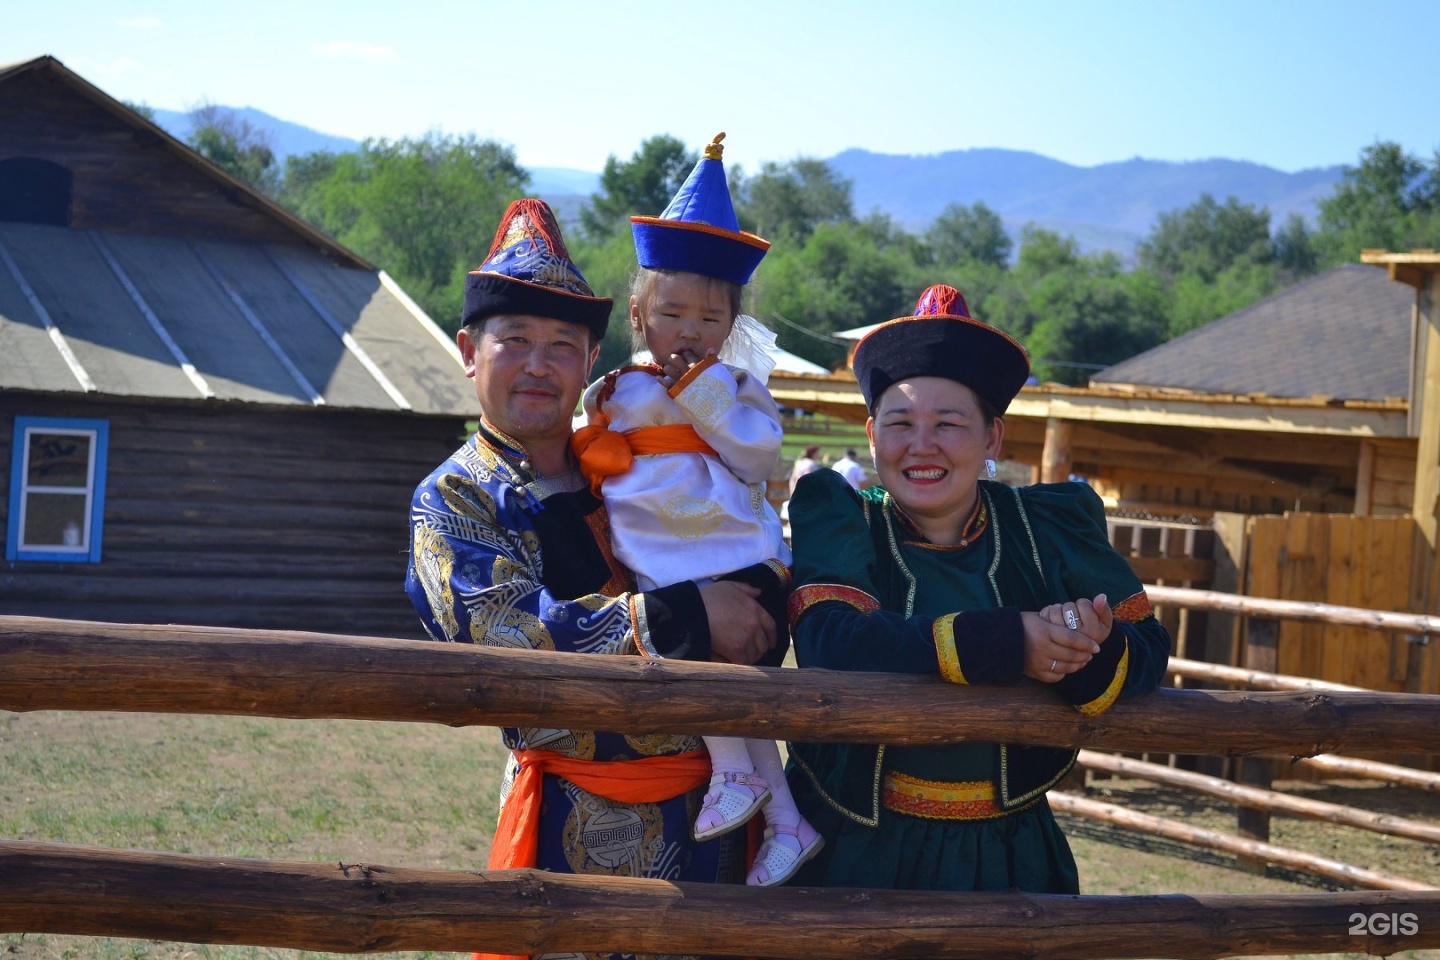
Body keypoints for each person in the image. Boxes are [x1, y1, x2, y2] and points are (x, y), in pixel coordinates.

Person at [405, 197, 778, 960]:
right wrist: (692, 615)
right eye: (515, 341)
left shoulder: (632, 460)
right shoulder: (454, 497)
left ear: (592, 360)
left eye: (562, 345)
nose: (540, 365)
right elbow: (505, 631)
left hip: (715, 802)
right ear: (468, 350)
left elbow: (737, 536)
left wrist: (766, 589)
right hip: (570, 816)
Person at [783, 283, 1171, 893]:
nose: (921, 445)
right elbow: (831, 641)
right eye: (901, 423)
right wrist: (1009, 641)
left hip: (1009, 856)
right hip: (854, 847)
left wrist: (1082, 651)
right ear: (871, 433)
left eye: (949, 424)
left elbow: (1147, 646)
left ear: (992, 438)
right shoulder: (844, 519)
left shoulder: (1047, 525)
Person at [573, 133, 821, 887]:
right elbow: (594, 451)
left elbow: (754, 455)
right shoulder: (619, 387)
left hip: (725, 552)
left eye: (710, 320)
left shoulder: (737, 390)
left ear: (731, 327)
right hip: (656, 555)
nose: (690, 331)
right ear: (641, 315)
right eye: (673, 313)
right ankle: (786, 818)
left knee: (717, 668)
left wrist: (702, 395)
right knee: (712, 668)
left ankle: (737, 780)